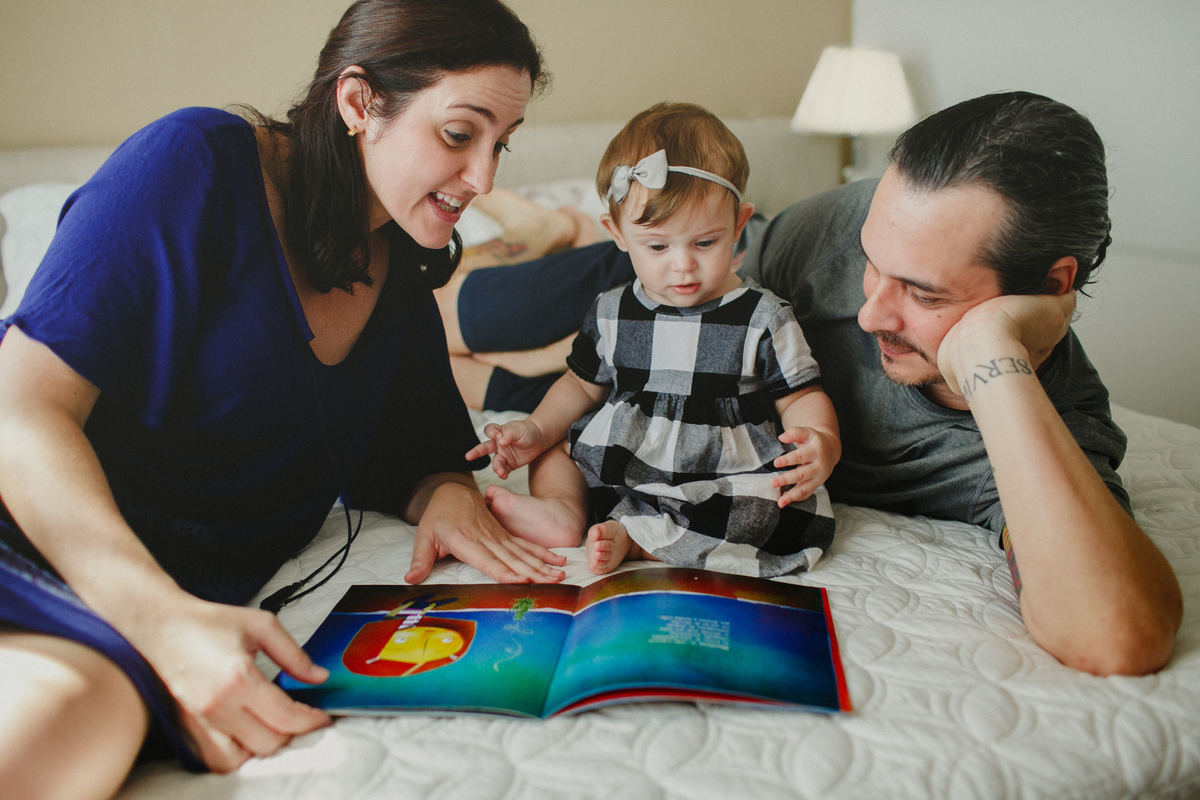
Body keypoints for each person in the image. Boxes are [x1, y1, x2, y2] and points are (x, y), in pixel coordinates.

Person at [0, 0, 566, 793]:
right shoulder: (192, 163)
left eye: (499, 146)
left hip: (119, 625)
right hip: (43, 539)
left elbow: (422, 460)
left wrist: (445, 497)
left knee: (70, 726)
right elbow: (18, 408)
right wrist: (160, 622)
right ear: (359, 101)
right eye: (458, 135)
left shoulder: (396, 278)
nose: (485, 179)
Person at [441, 91, 1183, 676]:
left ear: (1047, 288)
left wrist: (991, 353)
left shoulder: (1051, 426)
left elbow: (1117, 639)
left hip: (712, 326)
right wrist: (673, 254)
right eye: (872, 262)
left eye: (924, 295)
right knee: (432, 324)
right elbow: (700, 308)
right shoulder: (825, 230)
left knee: (503, 384)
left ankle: (511, 333)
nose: (868, 312)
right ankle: (556, 231)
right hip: (664, 289)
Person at [466, 104, 839, 577]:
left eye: (705, 242)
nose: (682, 265)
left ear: (739, 225)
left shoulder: (763, 315)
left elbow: (803, 395)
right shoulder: (611, 309)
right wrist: (537, 428)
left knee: (773, 503)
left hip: (721, 473)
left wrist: (822, 442)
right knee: (557, 448)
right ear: (616, 233)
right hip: (630, 461)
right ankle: (563, 512)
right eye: (658, 246)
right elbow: (580, 387)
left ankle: (641, 538)